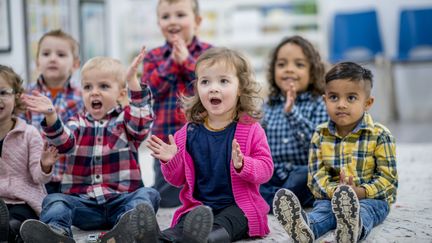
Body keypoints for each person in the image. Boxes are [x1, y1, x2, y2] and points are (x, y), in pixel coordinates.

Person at [19, 48, 160, 243]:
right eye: (87, 87)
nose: (94, 92)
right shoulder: (76, 122)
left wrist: (133, 82)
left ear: (120, 94)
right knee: (54, 200)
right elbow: (64, 142)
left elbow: (142, 121)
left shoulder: (126, 121)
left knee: (148, 194)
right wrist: (51, 115)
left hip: (121, 200)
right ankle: (57, 233)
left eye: (103, 86)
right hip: (84, 205)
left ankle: (130, 229)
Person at [144, 47, 274, 243]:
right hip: (199, 207)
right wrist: (172, 161)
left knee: (232, 220)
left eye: (223, 81)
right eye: (205, 81)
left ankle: (206, 239)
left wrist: (243, 164)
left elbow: (266, 169)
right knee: (183, 225)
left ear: (240, 88)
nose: (213, 88)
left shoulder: (251, 129)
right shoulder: (187, 133)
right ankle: (156, 238)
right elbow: (177, 180)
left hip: (239, 206)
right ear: (197, 88)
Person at [273, 62, 398, 243]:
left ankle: (355, 226)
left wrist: (360, 192)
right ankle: (306, 227)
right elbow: (316, 176)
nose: (341, 104)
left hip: (372, 199)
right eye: (333, 97)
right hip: (331, 196)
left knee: (366, 210)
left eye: (351, 98)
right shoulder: (320, 135)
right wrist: (336, 193)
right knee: (323, 211)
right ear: (325, 100)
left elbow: (389, 180)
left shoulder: (380, 135)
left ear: (367, 103)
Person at [142, 0, 213, 208]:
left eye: (180, 15)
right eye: (166, 17)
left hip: (204, 138)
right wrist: (172, 63)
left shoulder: (209, 54)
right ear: (159, 23)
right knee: (165, 195)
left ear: (197, 21)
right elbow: (149, 92)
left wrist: (188, 62)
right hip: (166, 141)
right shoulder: (153, 57)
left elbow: (212, 87)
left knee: (205, 189)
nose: (172, 21)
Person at [260, 35, 328, 208]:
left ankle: (275, 200)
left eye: (299, 64)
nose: (289, 69)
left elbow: (318, 146)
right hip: (275, 172)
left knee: (307, 177)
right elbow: (260, 145)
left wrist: (292, 113)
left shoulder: (319, 104)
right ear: (273, 71)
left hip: (304, 171)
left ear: (312, 73)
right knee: (246, 180)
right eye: (282, 64)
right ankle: (281, 200)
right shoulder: (268, 106)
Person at [0, 65, 58, 243]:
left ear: (17, 97)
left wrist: (45, 165)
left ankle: (13, 232)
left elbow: (39, 177)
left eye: (3, 92)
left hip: (23, 201)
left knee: (17, 220)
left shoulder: (29, 133)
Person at [25, 29, 84, 194]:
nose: (52, 58)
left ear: (75, 64)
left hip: (71, 176)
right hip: (36, 174)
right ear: (37, 62)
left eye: (61, 54)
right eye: (46, 53)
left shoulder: (82, 96)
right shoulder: (27, 96)